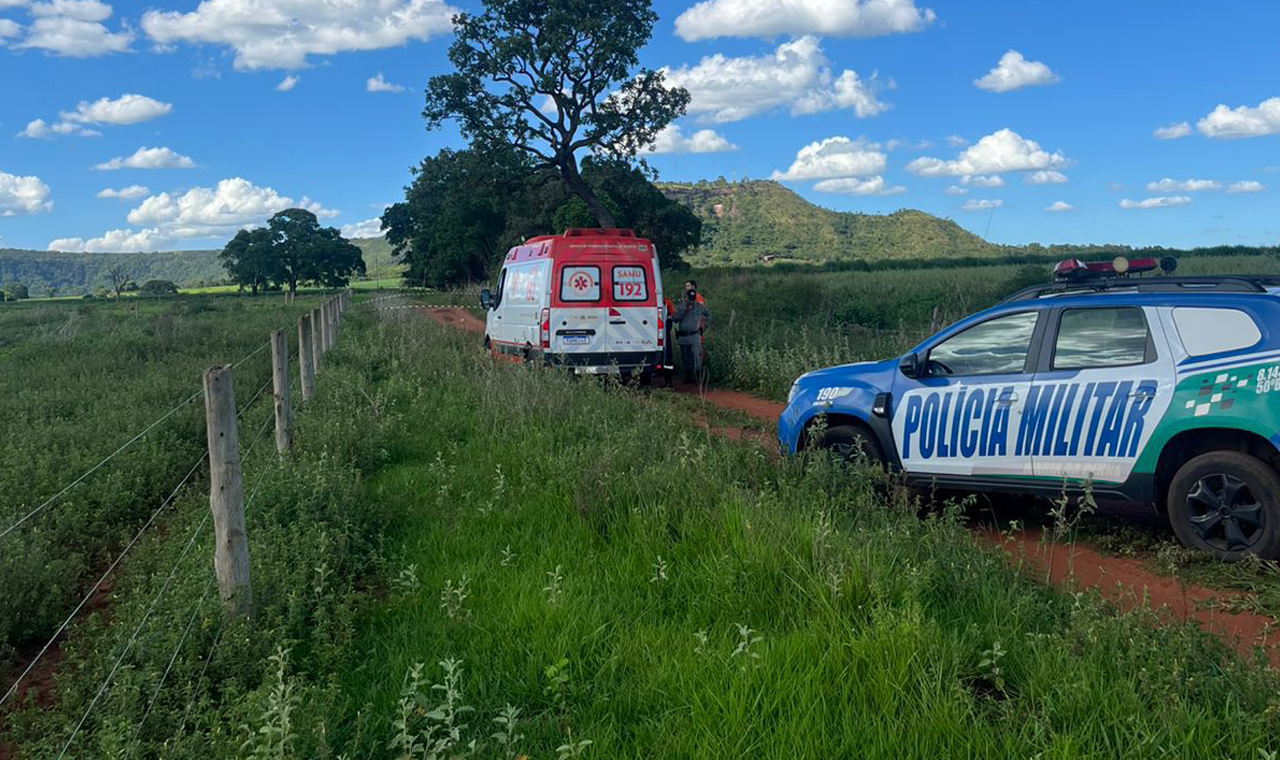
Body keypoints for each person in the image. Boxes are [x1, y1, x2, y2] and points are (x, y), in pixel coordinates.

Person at [670, 280, 711, 386]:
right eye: (690, 297)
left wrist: (704, 325)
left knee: (696, 356)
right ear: (687, 297)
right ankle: (688, 377)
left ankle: (698, 379)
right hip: (683, 335)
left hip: (695, 335)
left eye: (693, 297)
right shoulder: (681, 306)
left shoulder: (699, 306)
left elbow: (708, 315)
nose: (692, 300)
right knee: (685, 357)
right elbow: (675, 318)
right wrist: (684, 310)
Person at [662, 294, 676, 387]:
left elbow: (672, 315)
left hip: (664, 331)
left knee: (667, 356)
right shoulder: (664, 301)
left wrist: (667, 327)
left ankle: (668, 381)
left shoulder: (667, 301)